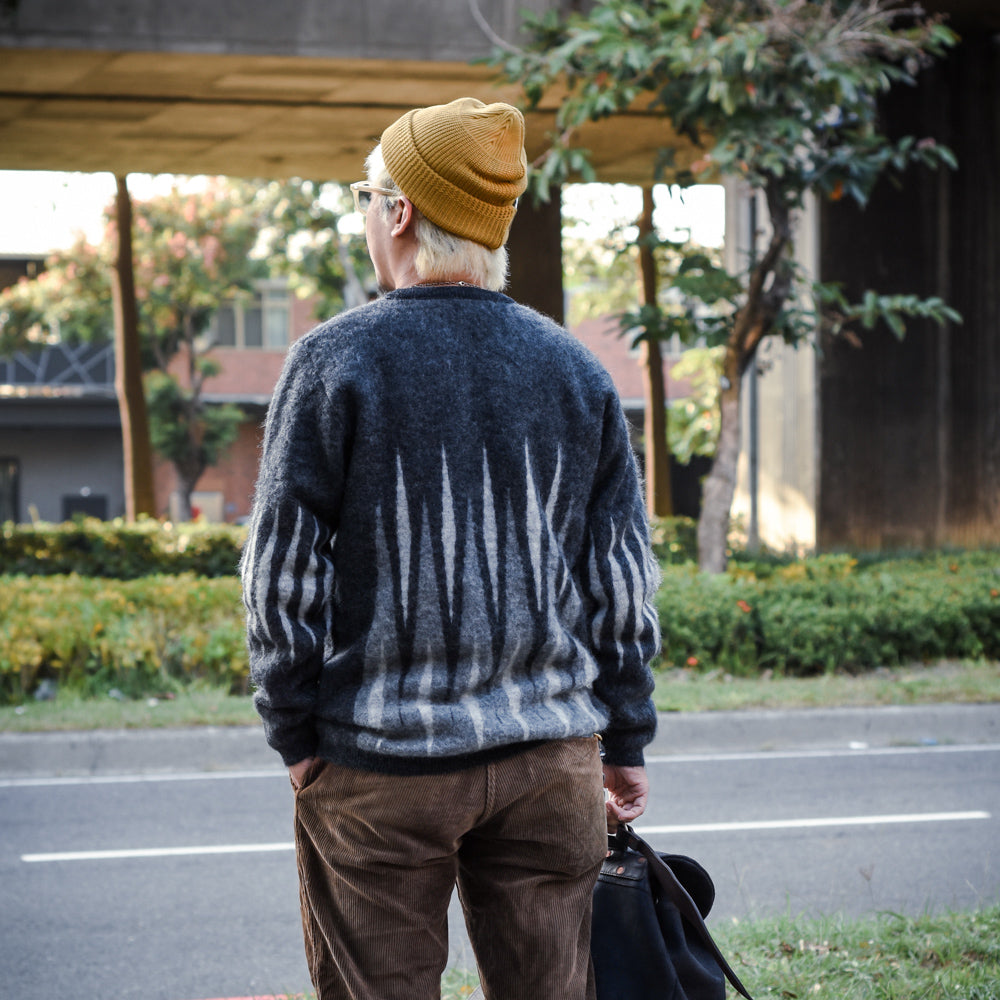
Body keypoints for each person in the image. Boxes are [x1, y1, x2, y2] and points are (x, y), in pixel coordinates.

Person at [240, 96, 660, 1000]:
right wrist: (623, 734)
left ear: (399, 212)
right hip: (552, 762)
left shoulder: (334, 361)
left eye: (365, 195)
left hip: (380, 764)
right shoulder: (574, 368)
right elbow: (619, 578)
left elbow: (281, 578)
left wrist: (296, 733)